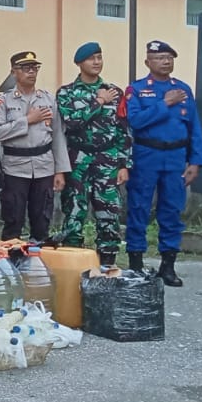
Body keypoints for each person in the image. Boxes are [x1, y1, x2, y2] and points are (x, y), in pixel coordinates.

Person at [123, 39, 202, 286]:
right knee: (138, 208)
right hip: (146, 156)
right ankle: (136, 265)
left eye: (169, 57)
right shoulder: (137, 90)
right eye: (160, 57)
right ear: (148, 62)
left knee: (171, 211)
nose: (166, 61)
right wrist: (165, 104)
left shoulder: (183, 90)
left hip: (175, 158)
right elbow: (135, 121)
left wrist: (196, 161)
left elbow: (194, 128)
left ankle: (168, 266)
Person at [55, 42, 132, 265]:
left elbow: (123, 130)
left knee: (109, 215)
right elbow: (73, 122)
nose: (96, 62)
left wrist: (123, 164)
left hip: (107, 161)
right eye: (91, 59)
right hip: (77, 160)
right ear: (79, 63)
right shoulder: (67, 92)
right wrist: (99, 101)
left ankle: (107, 266)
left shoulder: (115, 92)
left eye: (99, 57)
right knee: (74, 215)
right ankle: (72, 266)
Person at [0, 50, 70, 243]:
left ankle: (38, 263)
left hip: (44, 166)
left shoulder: (48, 99)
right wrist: (28, 120)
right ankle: (11, 264)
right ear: (13, 72)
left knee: (42, 220)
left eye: (34, 68)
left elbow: (58, 135)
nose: (31, 72)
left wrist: (60, 170)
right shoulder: (4, 101)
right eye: (25, 68)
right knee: (13, 219)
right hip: (15, 167)